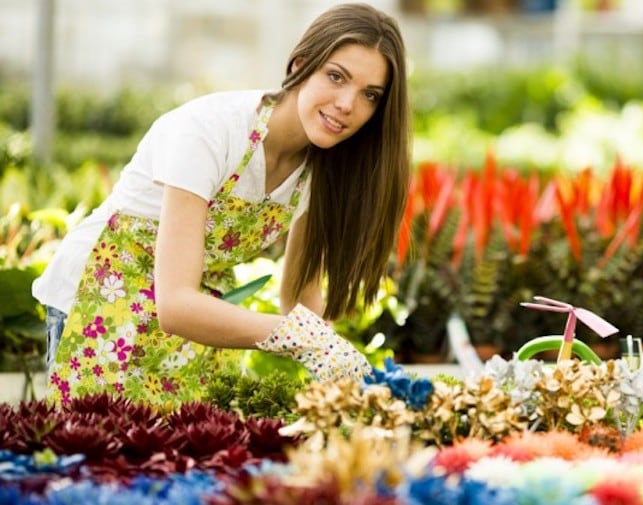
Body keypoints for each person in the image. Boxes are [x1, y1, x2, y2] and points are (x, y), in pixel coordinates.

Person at [31, 2, 410, 406]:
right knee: (99, 456)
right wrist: (296, 335)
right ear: (301, 64)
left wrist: (342, 372)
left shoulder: (324, 167)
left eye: (370, 95)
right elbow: (175, 304)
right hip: (103, 300)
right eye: (336, 77)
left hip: (198, 316)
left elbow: (301, 295)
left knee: (182, 459)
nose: (348, 104)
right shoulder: (211, 131)